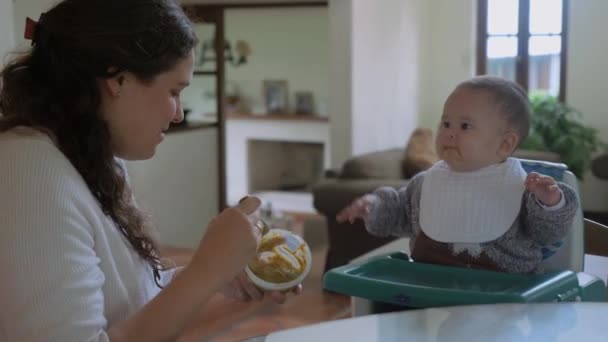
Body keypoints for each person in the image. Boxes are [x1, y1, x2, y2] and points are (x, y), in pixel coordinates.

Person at [0, 1, 299, 341]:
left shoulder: (94, 158)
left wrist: (237, 284)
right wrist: (207, 269)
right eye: (174, 91)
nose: (179, 114)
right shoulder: (30, 174)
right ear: (119, 79)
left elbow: (143, 306)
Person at [337, 76, 578, 274]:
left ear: (504, 145)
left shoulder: (523, 186)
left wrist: (549, 202)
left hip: (504, 299)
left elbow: (548, 234)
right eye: (445, 123)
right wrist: (374, 206)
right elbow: (399, 212)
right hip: (429, 290)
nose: (449, 133)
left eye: (465, 126)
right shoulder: (426, 183)